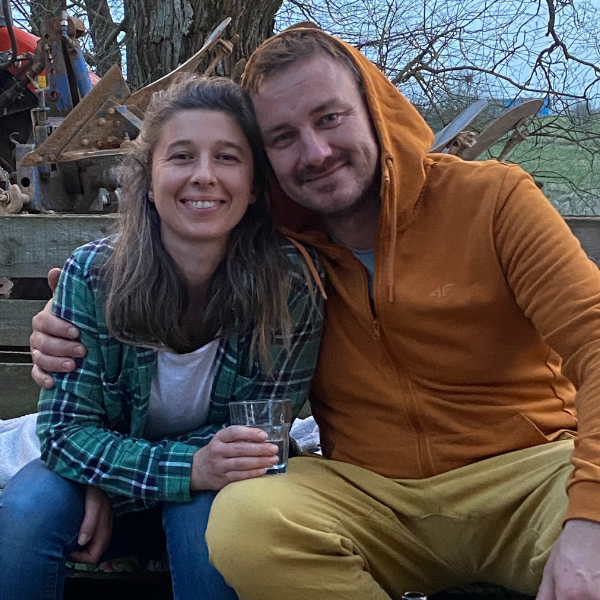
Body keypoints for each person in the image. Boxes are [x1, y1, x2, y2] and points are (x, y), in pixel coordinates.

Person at [27, 26, 600, 600]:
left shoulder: (491, 201)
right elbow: (161, 259)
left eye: (330, 118)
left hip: (524, 479)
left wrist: (590, 519)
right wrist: (62, 320)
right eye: (283, 137)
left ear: (373, 109)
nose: (316, 152)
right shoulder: (284, 252)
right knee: (246, 521)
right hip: (370, 496)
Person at [0, 73, 324, 600]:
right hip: (103, 482)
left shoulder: (289, 285)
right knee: (26, 510)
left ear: (254, 186)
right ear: (149, 181)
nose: (204, 176)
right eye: (181, 156)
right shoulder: (94, 275)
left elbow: (257, 438)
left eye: (227, 157)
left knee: (211, 523)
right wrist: (181, 468)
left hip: (197, 486)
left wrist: (124, 475)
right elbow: (63, 432)